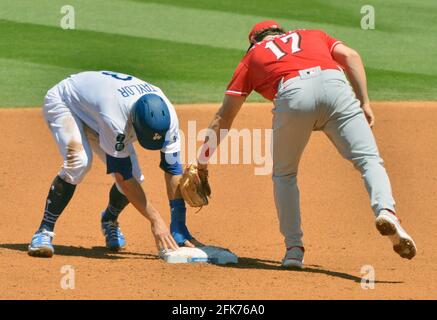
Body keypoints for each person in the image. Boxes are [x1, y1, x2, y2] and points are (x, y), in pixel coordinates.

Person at [196, 21, 417, 269]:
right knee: (369, 161)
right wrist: (364, 101)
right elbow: (351, 56)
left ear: (254, 41)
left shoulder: (253, 55)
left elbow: (223, 117)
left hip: (294, 93)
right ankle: (386, 211)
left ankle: (294, 250)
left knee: (285, 175)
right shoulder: (313, 34)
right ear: (282, 32)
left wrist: (202, 162)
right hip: (336, 86)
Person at [28, 70, 198, 258]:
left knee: (136, 177)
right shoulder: (115, 118)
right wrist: (156, 221)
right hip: (67, 102)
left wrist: (178, 225)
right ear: (134, 122)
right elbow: (122, 177)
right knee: (79, 162)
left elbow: (172, 168)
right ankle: (44, 231)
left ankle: (109, 219)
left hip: (97, 108)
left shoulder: (169, 118)